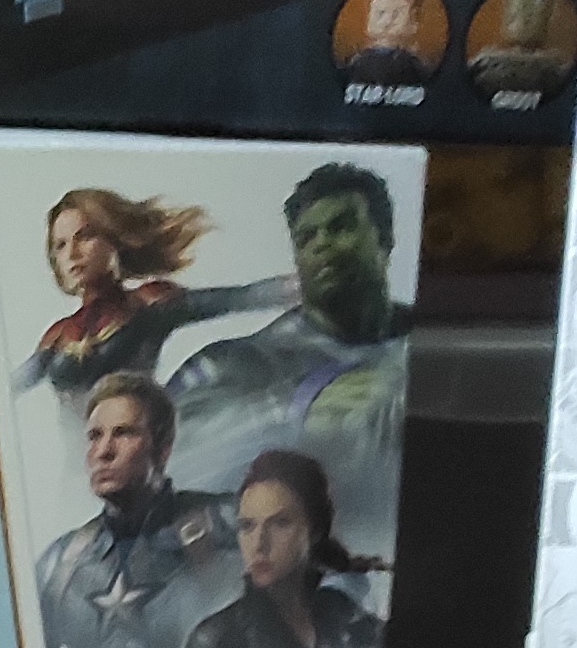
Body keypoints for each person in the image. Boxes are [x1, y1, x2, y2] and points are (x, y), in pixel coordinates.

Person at [168, 163, 411, 506]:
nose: (322, 244)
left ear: (385, 237)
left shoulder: (441, 348)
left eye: (340, 227)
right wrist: (298, 410)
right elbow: (154, 462)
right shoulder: (226, 366)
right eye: (306, 238)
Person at [31, 374, 234, 648]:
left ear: (163, 449)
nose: (103, 451)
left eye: (123, 433)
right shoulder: (60, 565)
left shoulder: (227, 525)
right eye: (94, 436)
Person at [170, 451, 385, 648]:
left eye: (280, 523)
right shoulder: (218, 637)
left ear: (314, 531)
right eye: (247, 526)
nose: (259, 543)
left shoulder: (334, 612)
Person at [24, 189, 240, 400]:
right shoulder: (58, 335)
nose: (72, 253)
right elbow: (10, 386)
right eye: (60, 245)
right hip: (80, 425)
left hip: (140, 419)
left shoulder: (147, 301)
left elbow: (237, 299)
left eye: (85, 237)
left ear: (114, 240)